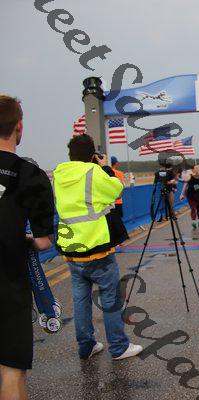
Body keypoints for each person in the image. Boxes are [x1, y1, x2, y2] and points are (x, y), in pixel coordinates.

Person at [54, 134, 143, 361]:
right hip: (97, 249)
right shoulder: (93, 173)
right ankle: (119, 347)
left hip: (72, 249)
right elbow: (117, 189)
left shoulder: (59, 175)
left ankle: (86, 346)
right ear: (92, 155)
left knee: (80, 300)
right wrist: (105, 168)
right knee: (111, 298)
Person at [0, 95, 55, 400]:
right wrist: (26, 240)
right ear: (19, 127)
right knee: (11, 369)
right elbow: (45, 241)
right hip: (9, 281)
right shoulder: (31, 175)